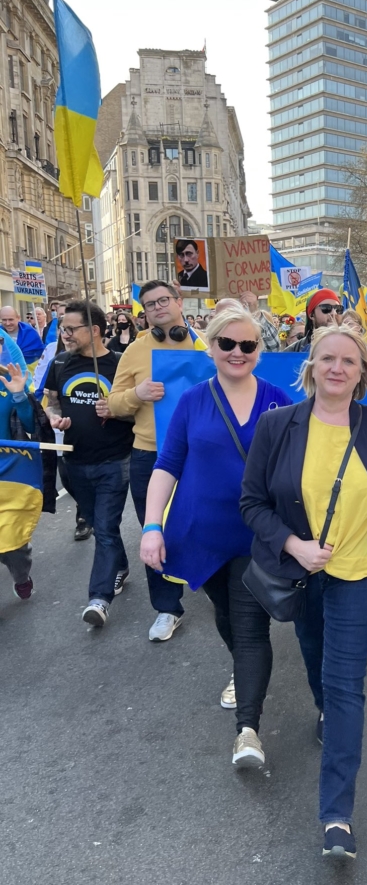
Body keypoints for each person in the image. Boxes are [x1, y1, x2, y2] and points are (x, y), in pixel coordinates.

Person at [240, 325, 367, 859]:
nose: (336, 368)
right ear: (310, 367)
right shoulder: (276, 426)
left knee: (345, 685)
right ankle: (324, 710)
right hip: (302, 572)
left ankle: (336, 815)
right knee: (315, 661)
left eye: (348, 361)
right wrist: (293, 545)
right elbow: (252, 503)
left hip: (361, 573)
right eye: (326, 358)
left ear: (363, 372)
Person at [140, 308, 292, 725]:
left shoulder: (279, 399)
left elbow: (299, 469)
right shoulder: (192, 399)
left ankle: (248, 712)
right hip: (201, 532)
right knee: (224, 614)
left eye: (248, 345)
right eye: (227, 343)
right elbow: (167, 466)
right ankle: (240, 664)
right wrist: (152, 526)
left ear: (260, 349)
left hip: (256, 535)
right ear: (211, 348)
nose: (237, 352)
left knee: (249, 623)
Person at [102, 280, 201, 642]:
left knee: (204, 522)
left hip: (200, 453)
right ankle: (167, 608)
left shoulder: (207, 343)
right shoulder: (135, 351)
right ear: (144, 313)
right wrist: (137, 395)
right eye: (149, 304)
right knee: (154, 530)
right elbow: (112, 404)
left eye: (164, 300)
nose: (158, 307)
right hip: (149, 452)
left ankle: (209, 577)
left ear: (178, 302)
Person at [44, 302, 134, 628]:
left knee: (107, 527)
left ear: (93, 330)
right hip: (72, 462)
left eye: (70, 329)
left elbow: (137, 409)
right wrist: (55, 417)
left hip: (114, 461)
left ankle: (99, 599)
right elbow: (52, 401)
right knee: (99, 524)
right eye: (62, 329)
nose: (64, 335)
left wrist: (116, 410)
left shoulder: (121, 364)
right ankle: (120, 567)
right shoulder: (59, 363)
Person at [0, 356, 36, 600]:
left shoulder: (9, 381)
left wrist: (20, 395)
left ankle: (21, 575)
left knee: (12, 545)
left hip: (10, 476)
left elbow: (32, 423)